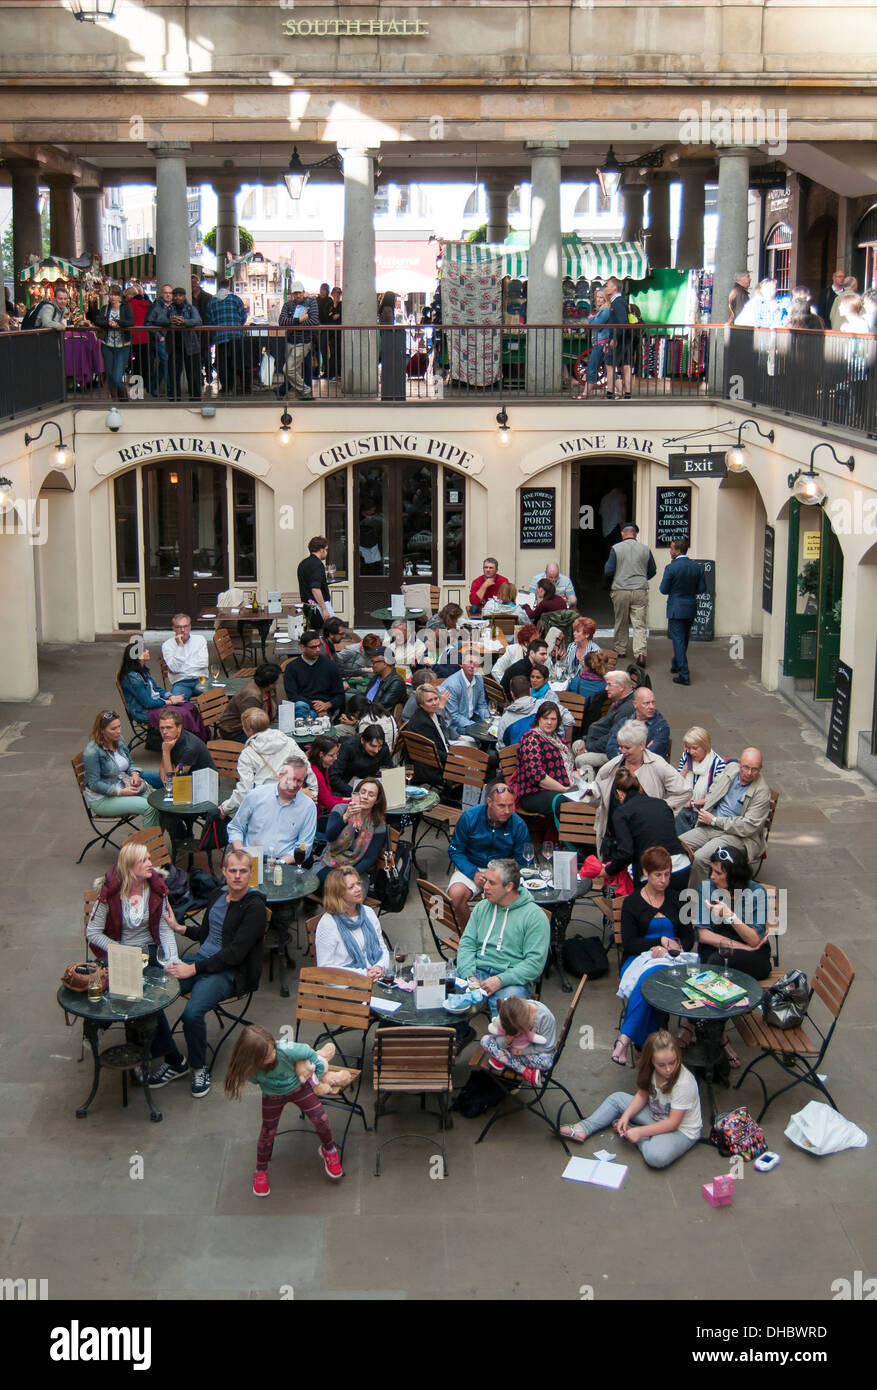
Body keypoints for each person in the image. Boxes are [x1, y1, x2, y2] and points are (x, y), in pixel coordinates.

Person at [165, 848, 266, 1098]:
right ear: (224, 872)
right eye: (233, 871)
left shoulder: (254, 907)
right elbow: (208, 934)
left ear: (251, 873)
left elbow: (235, 953)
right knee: (155, 990)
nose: (238, 876)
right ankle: (171, 1058)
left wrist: (193, 969)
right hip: (202, 961)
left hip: (230, 972)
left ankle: (199, 1068)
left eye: (243, 871)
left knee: (192, 1014)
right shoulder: (217, 896)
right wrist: (181, 928)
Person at [86, 842, 187, 1086]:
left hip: (149, 952)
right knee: (141, 998)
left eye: (150, 858)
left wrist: (173, 959)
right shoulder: (109, 893)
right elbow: (93, 932)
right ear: (130, 866)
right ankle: (170, 1058)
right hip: (119, 952)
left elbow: (164, 929)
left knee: (147, 998)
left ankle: (146, 1055)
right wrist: (121, 952)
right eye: (144, 861)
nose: (151, 864)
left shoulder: (155, 889)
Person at [224, 1022, 343, 1196]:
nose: (272, 1056)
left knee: (321, 1118)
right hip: (272, 1096)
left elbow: (313, 1056)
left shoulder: (288, 1050)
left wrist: (314, 1080)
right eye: (266, 1056)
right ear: (253, 1059)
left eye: (273, 1050)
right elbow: (256, 1081)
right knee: (267, 1133)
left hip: (299, 1089)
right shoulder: (249, 1069)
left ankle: (329, 1149)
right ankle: (260, 1170)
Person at [560, 1029, 702, 1166]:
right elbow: (642, 1094)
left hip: (681, 1131)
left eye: (673, 1062)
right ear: (651, 1061)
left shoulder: (684, 1083)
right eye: (661, 1065)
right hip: (657, 1115)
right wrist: (626, 1115)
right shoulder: (650, 1070)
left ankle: (638, 1137)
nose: (669, 1069)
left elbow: (672, 1124)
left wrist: (640, 1132)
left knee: (655, 1156)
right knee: (616, 1099)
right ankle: (584, 1128)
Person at [685, 844, 772, 1066]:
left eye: (718, 872)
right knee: (716, 966)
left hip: (751, 959)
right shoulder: (707, 888)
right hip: (722, 952)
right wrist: (743, 947)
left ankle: (701, 1029)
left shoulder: (756, 892)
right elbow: (704, 936)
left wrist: (729, 915)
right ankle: (719, 1038)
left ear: (733, 875)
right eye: (712, 871)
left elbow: (754, 938)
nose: (713, 876)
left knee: (716, 971)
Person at [608, 847, 692, 1064]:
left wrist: (673, 946)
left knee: (655, 977)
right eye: (658, 875)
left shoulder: (677, 900)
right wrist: (658, 942)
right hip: (637, 959)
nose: (663, 880)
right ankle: (646, 1046)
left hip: (672, 960)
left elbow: (689, 937)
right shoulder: (632, 903)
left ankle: (627, 1041)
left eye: (667, 874)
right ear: (645, 872)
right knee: (651, 979)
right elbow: (630, 943)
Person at [455, 858, 550, 1017]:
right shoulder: (482, 907)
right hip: (477, 972)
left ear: (509, 886)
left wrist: (500, 980)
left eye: (492, 883)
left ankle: (500, 1041)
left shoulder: (535, 917)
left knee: (510, 1016)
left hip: (511, 979)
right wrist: (469, 975)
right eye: (485, 881)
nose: (485, 887)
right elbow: (467, 944)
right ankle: (461, 1033)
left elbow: (534, 964)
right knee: (446, 994)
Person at [587, 721, 689, 855]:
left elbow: (684, 791)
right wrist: (589, 793)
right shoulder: (612, 765)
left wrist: (662, 809)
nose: (623, 752)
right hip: (613, 838)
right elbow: (598, 794)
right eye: (620, 747)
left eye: (627, 748)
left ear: (641, 745)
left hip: (643, 840)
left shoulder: (657, 765)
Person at [678, 747, 771, 888]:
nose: (749, 772)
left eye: (754, 769)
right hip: (711, 825)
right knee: (677, 845)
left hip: (737, 836)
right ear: (739, 763)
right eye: (745, 767)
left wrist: (715, 820)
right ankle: (677, 888)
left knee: (700, 858)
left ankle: (695, 901)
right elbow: (714, 788)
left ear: (761, 768)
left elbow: (748, 826)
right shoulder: (731, 769)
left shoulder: (762, 792)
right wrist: (704, 807)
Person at [447, 781, 530, 926]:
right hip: (472, 867)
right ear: (489, 802)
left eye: (511, 805)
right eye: (502, 806)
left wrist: (500, 877)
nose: (507, 811)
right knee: (455, 895)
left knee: (502, 901)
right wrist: (473, 873)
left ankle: (496, 935)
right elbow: (455, 851)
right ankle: (470, 935)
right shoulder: (470, 817)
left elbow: (522, 861)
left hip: (502, 871)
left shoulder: (518, 825)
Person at [219, 709, 317, 819]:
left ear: (250, 730)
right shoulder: (288, 741)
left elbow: (244, 790)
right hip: (293, 800)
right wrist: (313, 793)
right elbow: (307, 768)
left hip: (264, 807)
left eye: (243, 726)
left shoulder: (248, 753)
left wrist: (225, 808)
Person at [599, 773, 690, 890]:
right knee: (677, 907)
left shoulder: (621, 813)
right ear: (640, 788)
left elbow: (626, 852)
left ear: (619, 794)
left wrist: (609, 870)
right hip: (681, 865)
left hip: (653, 873)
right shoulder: (661, 803)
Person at [226, 756, 317, 862]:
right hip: (251, 858)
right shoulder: (256, 795)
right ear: (280, 775)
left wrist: (280, 863)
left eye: (299, 781)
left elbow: (304, 845)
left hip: (285, 862)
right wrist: (240, 853)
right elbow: (236, 827)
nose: (294, 785)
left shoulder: (308, 807)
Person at [82, 709, 161, 827]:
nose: (118, 731)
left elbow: (129, 763)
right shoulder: (92, 752)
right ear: (102, 730)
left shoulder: (119, 740)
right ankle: (150, 844)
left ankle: (161, 839)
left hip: (124, 785)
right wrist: (120, 792)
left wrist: (134, 773)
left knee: (159, 802)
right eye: (113, 729)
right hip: (103, 798)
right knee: (150, 807)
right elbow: (94, 784)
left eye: (119, 726)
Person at [117, 641, 208, 741]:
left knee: (189, 706)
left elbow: (155, 689)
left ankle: (200, 739)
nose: (147, 651)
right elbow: (148, 703)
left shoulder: (142, 670)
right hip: (144, 711)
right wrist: (171, 702)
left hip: (155, 704)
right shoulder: (133, 678)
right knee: (181, 714)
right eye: (144, 651)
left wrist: (170, 696)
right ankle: (185, 743)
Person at [515, 701, 584, 823]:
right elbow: (537, 776)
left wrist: (580, 781)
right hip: (534, 793)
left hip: (560, 788)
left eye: (553, 719)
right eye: (545, 718)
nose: (549, 722)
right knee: (565, 803)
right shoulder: (531, 739)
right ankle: (571, 840)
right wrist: (564, 789)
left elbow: (571, 767)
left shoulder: (558, 739)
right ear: (538, 719)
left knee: (589, 796)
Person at [313, 778, 388, 886]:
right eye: (363, 792)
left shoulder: (378, 825)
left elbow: (368, 859)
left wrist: (349, 878)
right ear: (356, 794)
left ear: (376, 800)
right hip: (329, 863)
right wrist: (345, 817)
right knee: (325, 882)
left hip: (355, 870)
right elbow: (330, 836)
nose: (365, 797)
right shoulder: (340, 809)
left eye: (371, 795)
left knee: (347, 890)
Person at [315, 868, 388, 975]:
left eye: (358, 883)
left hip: (375, 976)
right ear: (338, 893)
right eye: (351, 887)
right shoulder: (328, 923)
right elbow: (325, 968)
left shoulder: (368, 913)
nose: (358, 889)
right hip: (347, 985)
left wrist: (380, 967)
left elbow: (382, 948)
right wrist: (363, 975)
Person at [605, 522, 656, 663]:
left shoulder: (616, 548)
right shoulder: (645, 549)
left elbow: (608, 570)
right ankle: (640, 654)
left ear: (622, 533)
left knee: (621, 620)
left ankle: (620, 649)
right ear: (635, 534)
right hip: (640, 589)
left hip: (621, 589)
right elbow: (652, 570)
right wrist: (642, 578)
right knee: (639, 623)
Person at [481, 995, 557, 1087]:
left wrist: (521, 1051)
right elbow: (499, 1042)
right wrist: (508, 1039)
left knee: (546, 1062)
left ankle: (502, 1058)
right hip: (513, 1051)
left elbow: (547, 1047)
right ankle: (525, 1071)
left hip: (532, 1052)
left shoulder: (545, 1018)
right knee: (485, 1040)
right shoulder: (507, 1010)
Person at [660, 536, 706, 685]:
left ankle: (684, 674)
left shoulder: (671, 568)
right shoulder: (696, 567)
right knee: (683, 638)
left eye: (672, 549)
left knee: (678, 639)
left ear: (678, 550)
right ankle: (676, 664)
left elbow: (663, 589)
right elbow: (702, 589)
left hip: (676, 607)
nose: (670, 551)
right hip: (691, 606)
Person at [575, 669, 635, 773]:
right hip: (599, 742)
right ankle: (592, 777)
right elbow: (602, 726)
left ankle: (592, 785)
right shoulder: (618, 701)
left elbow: (613, 738)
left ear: (621, 687)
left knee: (580, 759)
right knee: (577, 745)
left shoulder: (626, 709)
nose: (606, 688)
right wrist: (585, 740)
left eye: (609, 685)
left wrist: (588, 747)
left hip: (614, 752)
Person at [282, 630, 345, 720]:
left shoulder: (330, 666)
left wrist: (327, 705)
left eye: (319, 646)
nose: (318, 650)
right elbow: (292, 695)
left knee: (306, 714)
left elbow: (340, 695)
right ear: (303, 648)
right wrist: (315, 706)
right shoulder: (292, 668)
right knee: (301, 706)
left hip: (325, 708)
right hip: (303, 705)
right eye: (313, 647)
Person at [675, 727, 726, 831]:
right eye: (688, 748)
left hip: (704, 813)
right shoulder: (687, 757)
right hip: (684, 808)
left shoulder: (718, 764)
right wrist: (685, 769)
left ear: (705, 746)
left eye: (695, 748)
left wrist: (692, 803)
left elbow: (716, 797)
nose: (691, 752)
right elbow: (675, 785)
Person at [215, 662, 280, 741]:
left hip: (263, 722)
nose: (278, 681)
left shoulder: (269, 688)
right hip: (235, 731)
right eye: (277, 680)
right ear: (270, 684)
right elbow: (252, 724)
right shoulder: (252, 696)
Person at [403, 683, 452, 785]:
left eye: (436, 698)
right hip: (432, 770)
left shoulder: (431, 715)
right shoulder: (423, 724)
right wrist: (455, 759)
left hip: (437, 760)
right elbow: (436, 753)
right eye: (430, 701)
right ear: (421, 704)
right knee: (476, 770)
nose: (435, 703)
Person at [206, 283, 249, 396]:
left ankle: (226, 387)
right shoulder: (235, 299)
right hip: (236, 336)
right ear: (228, 288)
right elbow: (243, 316)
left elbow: (209, 320)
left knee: (223, 364)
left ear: (218, 288)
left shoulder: (212, 302)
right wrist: (238, 326)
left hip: (220, 337)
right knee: (236, 362)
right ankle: (239, 387)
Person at [605, 684, 670, 760]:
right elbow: (610, 749)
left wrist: (623, 752)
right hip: (623, 766)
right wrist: (641, 750)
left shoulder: (661, 727)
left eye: (653, 702)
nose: (652, 707)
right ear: (635, 704)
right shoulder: (624, 722)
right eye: (646, 703)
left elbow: (648, 756)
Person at [278, 280, 316, 399]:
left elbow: (314, 321)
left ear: (303, 292)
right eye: (295, 293)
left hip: (304, 342)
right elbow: (281, 322)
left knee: (288, 369)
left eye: (299, 293)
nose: (297, 295)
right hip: (290, 341)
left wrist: (292, 325)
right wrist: (299, 320)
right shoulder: (288, 305)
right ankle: (302, 393)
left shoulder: (311, 303)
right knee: (294, 370)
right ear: (292, 294)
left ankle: (306, 390)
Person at [329, 724, 392, 796]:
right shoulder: (349, 747)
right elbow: (333, 776)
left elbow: (389, 769)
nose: (377, 750)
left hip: (372, 781)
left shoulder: (384, 748)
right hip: (349, 782)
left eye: (379, 746)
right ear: (362, 740)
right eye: (373, 746)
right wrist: (354, 792)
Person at [441, 650, 490, 739]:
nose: (472, 666)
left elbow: (481, 705)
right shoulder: (453, 685)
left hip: (472, 717)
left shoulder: (479, 678)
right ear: (462, 664)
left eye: (475, 663)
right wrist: (476, 727)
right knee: (482, 737)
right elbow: (454, 716)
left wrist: (488, 721)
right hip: (455, 725)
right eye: (469, 662)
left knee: (494, 731)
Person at [94, 285, 133, 399]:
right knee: (110, 375)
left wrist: (117, 322)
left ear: (119, 296)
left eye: (115, 294)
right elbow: (98, 321)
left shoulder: (126, 308)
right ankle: (115, 399)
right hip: (107, 344)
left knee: (117, 376)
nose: (113, 297)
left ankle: (124, 398)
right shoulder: (105, 308)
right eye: (111, 294)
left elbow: (130, 322)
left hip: (122, 345)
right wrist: (108, 323)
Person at [157, 708, 216, 783]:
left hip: (203, 785)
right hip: (180, 779)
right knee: (142, 776)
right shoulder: (170, 739)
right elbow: (162, 770)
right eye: (161, 728)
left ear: (179, 728)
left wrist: (166, 752)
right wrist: (167, 787)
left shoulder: (190, 748)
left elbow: (173, 782)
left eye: (169, 727)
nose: (164, 732)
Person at [164, 286, 202, 400]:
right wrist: (170, 321)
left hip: (190, 345)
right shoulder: (169, 309)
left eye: (180, 295)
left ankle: (195, 398)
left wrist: (184, 321)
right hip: (174, 345)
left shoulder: (191, 308)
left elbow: (198, 320)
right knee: (174, 374)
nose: (177, 298)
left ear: (184, 296)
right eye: (175, 295)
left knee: (193, 374)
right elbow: (158, 319)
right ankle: (175, 398)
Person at [574, 286, 612, 397]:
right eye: (598, 297)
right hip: (601, 342)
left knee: (592, 367)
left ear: (605, 299)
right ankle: (622, 392)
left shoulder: (604, 310)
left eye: (601, 297)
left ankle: (585, 393)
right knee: (606, 368)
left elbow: (598, 325)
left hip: (601, 343)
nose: (599, 299)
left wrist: (591, 318)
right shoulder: (604, 310)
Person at [307, 734, 350, 828]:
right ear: (321, 754)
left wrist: (344, 800)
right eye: (332, 755)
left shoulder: (323, 767)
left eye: (336, 754)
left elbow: (328, 796)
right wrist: (353, 802)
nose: (336, 758)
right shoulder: (316, 774)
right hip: (314, 819)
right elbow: (329, 804)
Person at [161, 613, 208, 697]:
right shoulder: (167, 645)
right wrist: (179, 647)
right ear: (174, 628)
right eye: (179, 627)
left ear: (190, 627)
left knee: (217, 696)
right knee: (176, 704)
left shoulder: (200, 640)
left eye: (185, 626)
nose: (183, 630)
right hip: (181, 682)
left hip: (201, 679)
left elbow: (203, 663)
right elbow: (174, 668)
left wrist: (181, 669)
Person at [602, 275, 633, 399]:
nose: (606, 288)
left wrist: (614, 338)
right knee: (625, 364)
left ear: (614, 288)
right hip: (625, 338)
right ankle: (627, 392)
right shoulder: (620, 301)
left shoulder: (618, 302)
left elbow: (621, 322)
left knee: (610, 363)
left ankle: (610, 391)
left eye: (608, 286)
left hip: (620, 338)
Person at [297, 536, 332, 629]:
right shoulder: (318, 565)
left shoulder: (303, 564)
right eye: (326, 549)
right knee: (329, 633)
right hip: (318, 607)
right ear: (321, 550)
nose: (327, 552)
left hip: (307, 606)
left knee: (314, 634)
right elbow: (315, 589)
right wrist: (324, 609)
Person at [144, 282, 173, 396]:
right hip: (161, 339)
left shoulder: (174, 306)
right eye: (166, 293)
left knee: (164, 364)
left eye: (170, 293)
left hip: (172, 339)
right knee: (166, 362)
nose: (168, 295)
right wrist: (159, 336)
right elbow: (147, 323)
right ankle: (170, 390)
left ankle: (153, 386)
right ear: (162, 293)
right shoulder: (155, 306)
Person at [499, 635, 549, 699]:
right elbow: (522, 696)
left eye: (546, 654)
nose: (545, 657)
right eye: (542, 654)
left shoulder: (526, 665)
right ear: (532, 653)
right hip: (511, 703)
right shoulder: (522, 670)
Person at [379, 290, 406, 400]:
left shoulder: (382, 309)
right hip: (388, 337)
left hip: (383, 335)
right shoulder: (388, 309)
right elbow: (390, 324)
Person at [124, 283, 152, 389]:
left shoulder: (130, 305)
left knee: (134, 359)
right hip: (146, 336)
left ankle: (136, 380)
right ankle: (146, 381)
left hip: (134, 336)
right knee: (145, 360)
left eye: (126, 296)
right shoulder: (146, 303)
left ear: (130, 295)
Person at [327, 285, 342, 379]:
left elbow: (341, 314)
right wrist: (333, 313)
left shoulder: (342, 305)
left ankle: (339, 373)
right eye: (335, 293)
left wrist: (339, 314)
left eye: (338, 294)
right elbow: (328, 314)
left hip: (340, 332)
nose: (337, 295)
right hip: (332, 333)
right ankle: (332, 374)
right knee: (332, 353)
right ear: (332, 294)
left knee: (340, 352)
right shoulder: (329, 305)